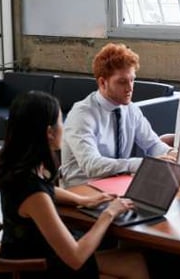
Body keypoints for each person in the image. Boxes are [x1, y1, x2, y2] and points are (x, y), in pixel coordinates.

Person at [0, 91, 150, 279]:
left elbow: (45, 192)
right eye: (60, 122)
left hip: (23, 260)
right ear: (49, 132)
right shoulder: (34, 193)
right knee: (131, 266)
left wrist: (81, 200)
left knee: (132, 262)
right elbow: (76, 257)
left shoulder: (17, 169)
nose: (63, 128)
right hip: (35, 271)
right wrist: (109, 213)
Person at [60, 43, 173, 187]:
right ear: (102, 82)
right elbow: (92, 166)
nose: (130, 88)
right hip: (83, 192)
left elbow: (152, 144)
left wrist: (171, 154)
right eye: (122, 82)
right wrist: (139, 164)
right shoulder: (82, 114)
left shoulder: (131, 109)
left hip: (118, 186)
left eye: (132, 80)